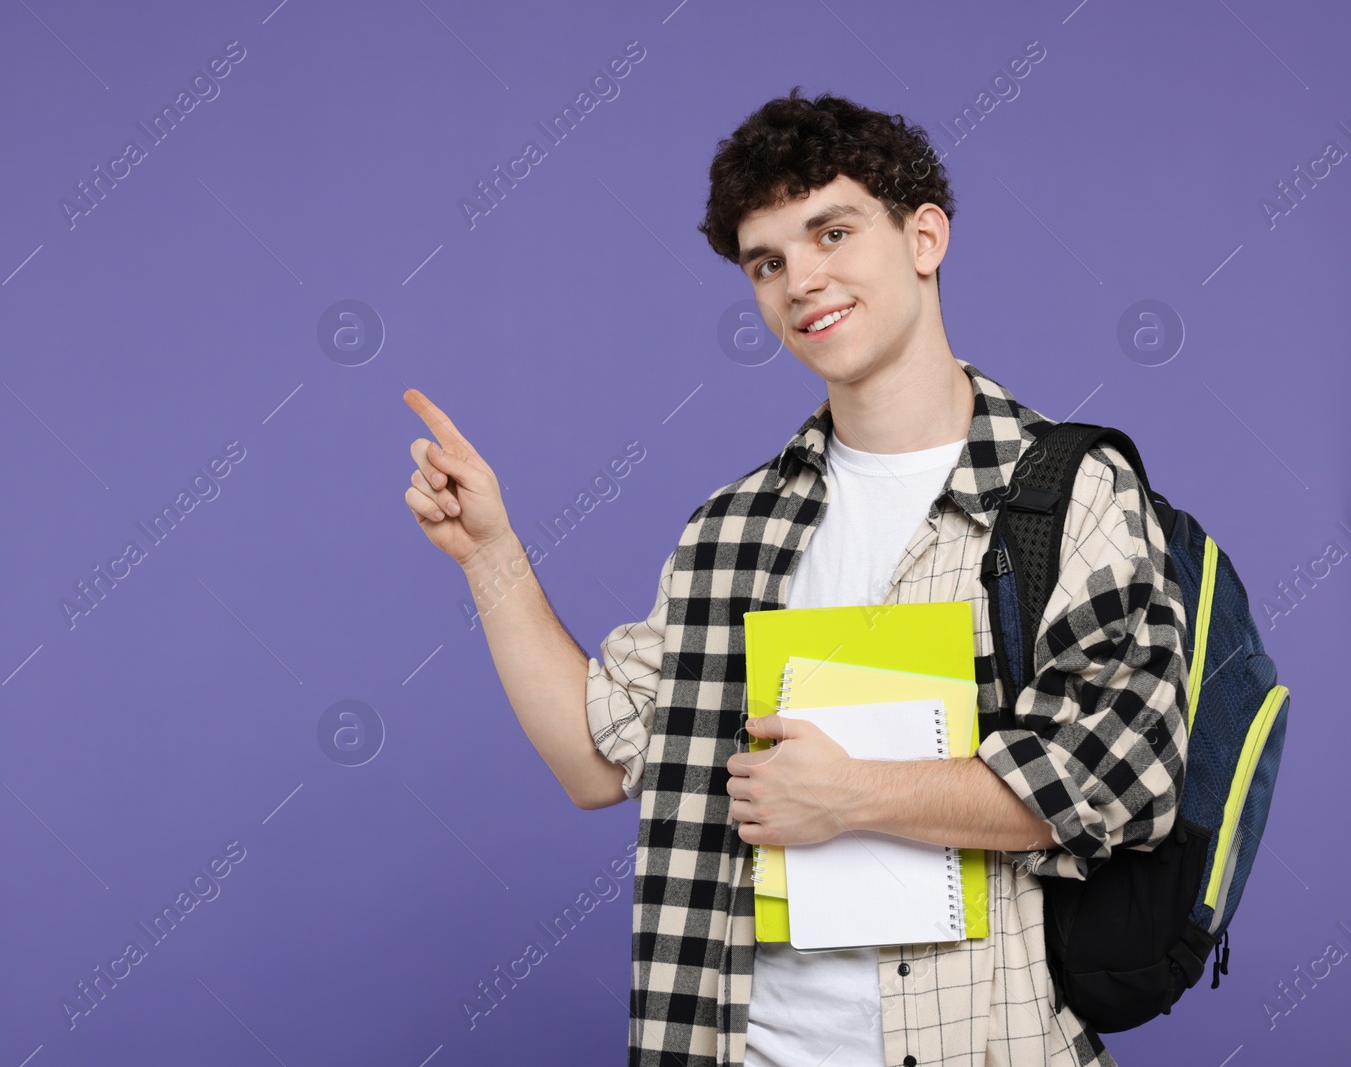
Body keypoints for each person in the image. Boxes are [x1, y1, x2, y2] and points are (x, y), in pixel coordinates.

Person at [402, 90, 1187, 1067]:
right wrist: (490, 554)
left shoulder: (1066, 491)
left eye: (832, 231)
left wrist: (850, 793)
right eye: (767, 262)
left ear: (924, 236)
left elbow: (1123, 777)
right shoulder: (733, 529)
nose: (800, 279)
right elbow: (593, 760)